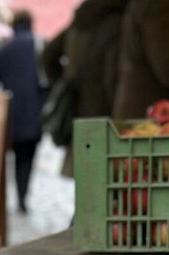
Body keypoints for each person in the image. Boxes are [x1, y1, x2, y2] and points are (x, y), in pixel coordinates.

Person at [41, 0, 127, 177]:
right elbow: (112, 77)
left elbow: (48, 55)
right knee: (104, 178)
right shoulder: (115, 24)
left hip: (77, 110)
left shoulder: (79, 23)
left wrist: (64, 82)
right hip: (103, 113)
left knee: (85, 178)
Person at [0, 10, 42, 214]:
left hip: (9, 115)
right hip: (34, 114)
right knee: (26, 159)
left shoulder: (4, 49)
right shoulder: (38, 47)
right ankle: (22, 197)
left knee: (8, 157)